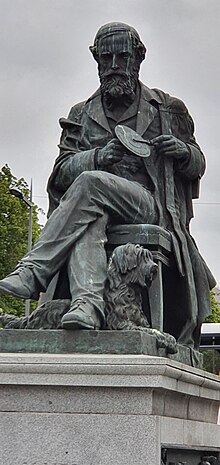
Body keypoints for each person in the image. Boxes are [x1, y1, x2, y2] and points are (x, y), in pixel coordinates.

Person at [0, 22, 216, 347]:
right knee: (89, 212)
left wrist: (183, 151)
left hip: (148, 203)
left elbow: (198, 163)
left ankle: (34, 270)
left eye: (121, 57)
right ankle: (87, 304)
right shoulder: (81, 113)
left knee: (89, 185)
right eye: (106, 58)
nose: (114, 66)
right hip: (93, 205)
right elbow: (60, 172)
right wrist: (98, 156)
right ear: (96, 59)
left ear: (138, 57)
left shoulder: (168, 108)